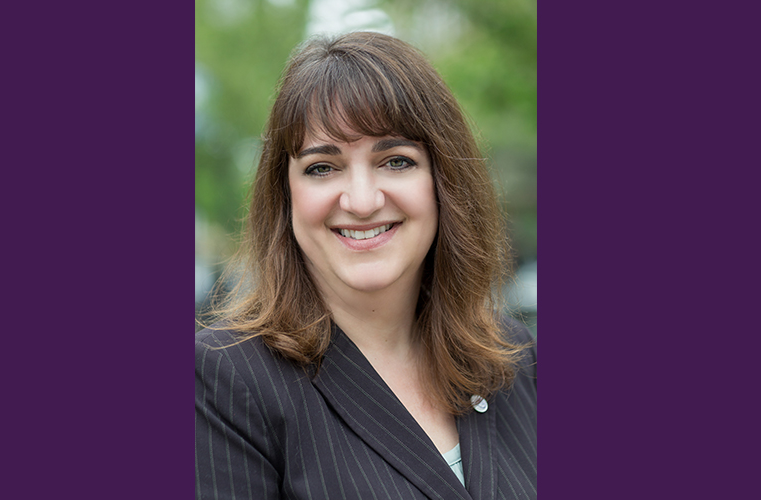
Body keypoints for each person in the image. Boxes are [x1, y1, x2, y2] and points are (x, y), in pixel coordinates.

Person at [195, 31, 536, 499]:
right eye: (322, 167)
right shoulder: (224, 380)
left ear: (444, 182)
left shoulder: (517, 357)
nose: (361, 201)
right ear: (286, 195)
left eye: (396, 161)